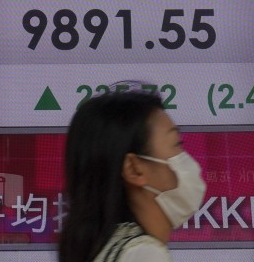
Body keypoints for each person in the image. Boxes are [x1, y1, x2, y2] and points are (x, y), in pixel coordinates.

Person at [58, 89, 206, 262]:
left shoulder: (107, 248)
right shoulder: (144, 255)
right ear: (134, 169)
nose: (185, 158)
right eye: (177, 144)